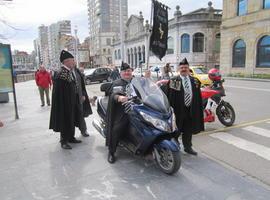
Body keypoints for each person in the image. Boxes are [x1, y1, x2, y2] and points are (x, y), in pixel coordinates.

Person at [161, 58, 204, 156]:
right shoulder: (174, 81)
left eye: (185, 67)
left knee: (188, 130)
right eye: (182, 67)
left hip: (190, 110)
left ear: (189, 69)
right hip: (178, 110)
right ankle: (175, 147)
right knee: (177, 130)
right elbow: (168, 95)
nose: (184, 69)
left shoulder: (195, 81)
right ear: (178, 69)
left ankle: (188, 147)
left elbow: (198, 97)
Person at [49, 50, 82, 150]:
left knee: (71, 120)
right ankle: (64, 141)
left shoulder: (68, 72)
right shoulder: (61, 74)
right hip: (64, 104)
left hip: (71, 102)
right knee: (65, 121)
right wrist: (63, 105)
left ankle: (71, 137)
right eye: (72, 60)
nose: (74, 62)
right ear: (66, 61)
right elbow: (59, 94)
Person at [106, 62, 136, 164]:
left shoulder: (136, 81)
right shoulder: (117, 83)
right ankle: (111, 152)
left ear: (131, 71)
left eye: (129, 71)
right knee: (117, 129)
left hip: (137, 110)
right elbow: (113, 95)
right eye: (124, 71)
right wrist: (119, 97)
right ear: (121, 73)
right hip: (123, 111)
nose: (127, 73)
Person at [72, 66, 93, 137]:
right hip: (70, 99)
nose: (73, 62)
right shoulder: (64, 72)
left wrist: (83, 94)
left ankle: (84, 130)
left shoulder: (77, 71)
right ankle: (67, 136)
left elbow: (82, 85)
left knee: (80, 114)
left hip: (79, 97)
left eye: (73, 60)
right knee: (70, 116)